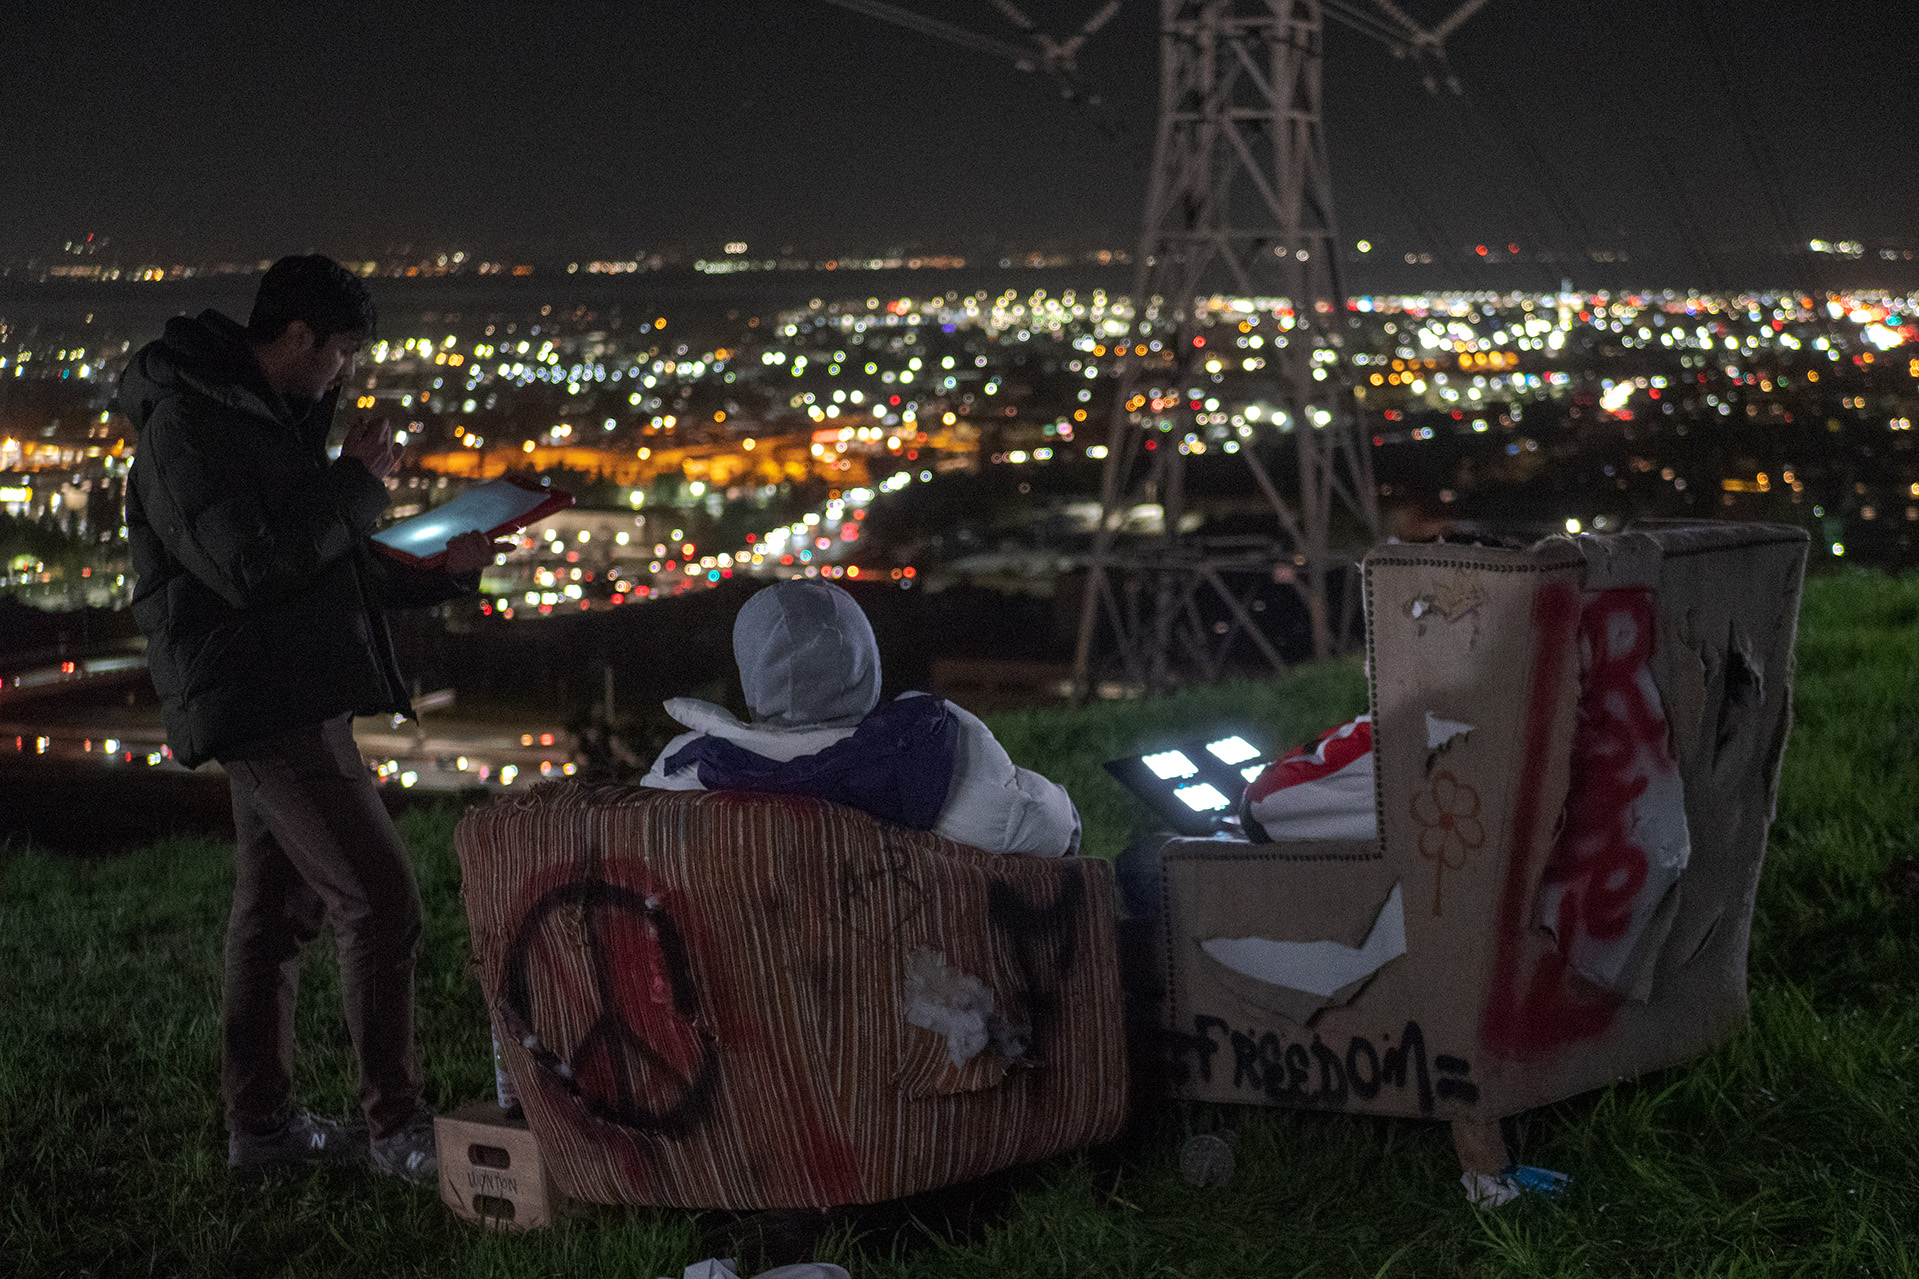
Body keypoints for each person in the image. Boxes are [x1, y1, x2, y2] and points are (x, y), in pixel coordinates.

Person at [116, 255, 499, 1182]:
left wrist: (437, 573)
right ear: (296, 337)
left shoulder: (264, 416)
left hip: (292, 688)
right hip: (262, 698)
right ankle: (396, 1128)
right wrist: (357, 486)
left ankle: (265, 1129)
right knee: (381, 902)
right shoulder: (188, 425)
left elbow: (319, 560)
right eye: (341, 354)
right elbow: (252, 566)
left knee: (276, 914)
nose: (346, 374)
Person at [640, 579, 1081, 857]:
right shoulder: (940, 757)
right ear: (866, 660)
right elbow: (1055, 830)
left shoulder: (683, 770)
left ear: (750, 671)